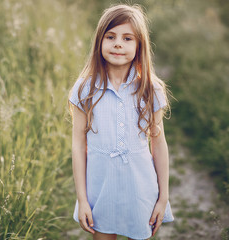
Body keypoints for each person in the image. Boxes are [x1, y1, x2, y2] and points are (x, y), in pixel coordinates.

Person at [69, 4, 174, 240]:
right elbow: (78, 144)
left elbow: (159, 144)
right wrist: (83, 199)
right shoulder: (84, 89)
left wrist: (163, 197)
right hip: (100, 190)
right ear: (100, 42)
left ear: (139, 46)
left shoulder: (150, 89)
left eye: (127, 38)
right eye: (111, 36)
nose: (118, 43)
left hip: (140, 190)